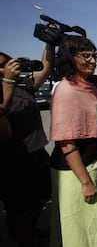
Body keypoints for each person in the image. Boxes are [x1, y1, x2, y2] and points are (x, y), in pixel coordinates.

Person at [49, 36, 97, 247]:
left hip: (92, 161)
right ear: (70, 57)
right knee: (76, 225)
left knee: (91, 218)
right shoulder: (65, 90)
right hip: (74, 170)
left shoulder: (90, 86)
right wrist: (85, 181)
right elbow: (66, 142)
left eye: (94, 55)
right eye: (86, 55)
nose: (93, 60)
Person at [0, 46, 53, 247]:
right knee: (18, 208)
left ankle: (29, 229)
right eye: (1, 66)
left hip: (36, 154)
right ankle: (21, 238)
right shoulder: (6, 87)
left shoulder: (23, 84)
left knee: (42, 196)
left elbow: (45, 69)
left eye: (9, 64)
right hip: (10, 161)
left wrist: (49, 44)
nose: (7, 68)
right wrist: (7, 84)